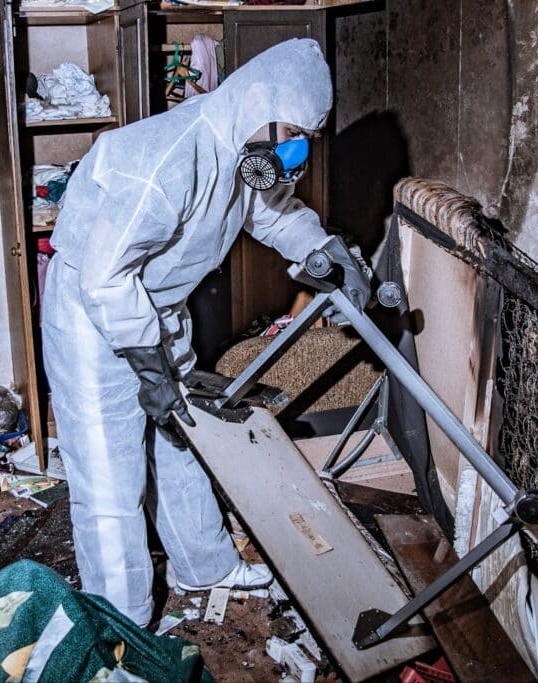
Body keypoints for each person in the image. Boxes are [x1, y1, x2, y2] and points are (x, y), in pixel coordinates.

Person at [41, 38, 371, 627]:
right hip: (94, 315)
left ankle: (204, 566)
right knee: (111, 477)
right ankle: (124, 624)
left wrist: (323, 249)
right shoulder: (165, 159)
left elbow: (272, 213)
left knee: (183, 438)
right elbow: (105, 278)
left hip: (160, 306)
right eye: (294, 130)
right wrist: (148, 370)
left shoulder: (249, 145)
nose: (296, 151)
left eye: (308, 139)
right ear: (257, 101)